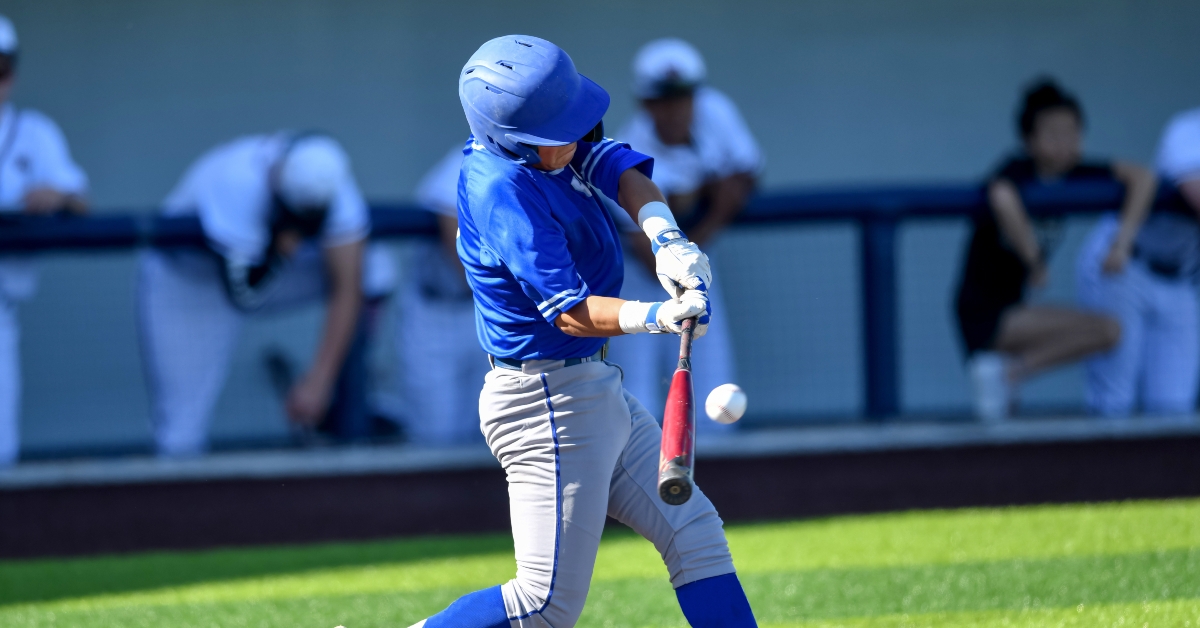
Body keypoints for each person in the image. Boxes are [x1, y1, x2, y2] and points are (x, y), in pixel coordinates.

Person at [409, 36, 756, 627]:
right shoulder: (501, 189)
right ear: (513, 137)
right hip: (542, 404)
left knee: (695, 534)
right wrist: (656, 315)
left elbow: (623, 170)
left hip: (591, 388)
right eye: (558, 133)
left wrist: (666, 240)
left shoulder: (550, 148)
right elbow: (568, 311)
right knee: (542, 606)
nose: (576, 139)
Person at [138, 132, 394, 457]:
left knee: (376, 266)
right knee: (181, 429)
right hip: (190, 283)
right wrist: (282, 253)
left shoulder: (335, 185)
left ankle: (355, 397)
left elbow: (349, 285)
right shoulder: (236, 181)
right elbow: (244, 294)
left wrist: (319, 380)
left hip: (267, 266)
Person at [954, 79, 1153, 421]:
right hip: (984, 311)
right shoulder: (1017, 170)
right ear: (1029, 140)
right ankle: (1005, 373)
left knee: (1109, 330)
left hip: (1015, 306)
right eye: (1053, 134)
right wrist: (1034, 262)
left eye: (1072, 132)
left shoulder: (1076, 173)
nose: (1065, 143)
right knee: (1107, 329)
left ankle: (1008, 372)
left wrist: (1122, 243)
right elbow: (1001, 196)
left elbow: (1144, 177)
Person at [608, 38, 761, 438]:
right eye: (664, 100)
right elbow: (646, 252)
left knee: (715, 384)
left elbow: (745, 176)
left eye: (684, 98)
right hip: (638, 276)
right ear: (646, 103)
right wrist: (708, 199)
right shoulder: (628, 148)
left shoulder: (715, 111)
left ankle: (716, 476)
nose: (676, 110)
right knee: (636, 387)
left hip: (696, 262)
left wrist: (702, 222)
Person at [0, 15, 90, 467]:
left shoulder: (33, 131)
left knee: (1, 444)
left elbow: (81, 203)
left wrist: (58, 196)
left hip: (2, 303)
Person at [1076, 107, 1200, 415]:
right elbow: (1194, 190)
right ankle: (1100, 465)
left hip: (1182, 276)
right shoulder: (1188, 127)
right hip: (1124, 263)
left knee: (1174, 406)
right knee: (1114, 399)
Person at [393, 145, 488, 445]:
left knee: (487, 428)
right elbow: (448, 210)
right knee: (434, 431)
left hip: (482, 312)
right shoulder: (480, 147)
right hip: (435, 310)